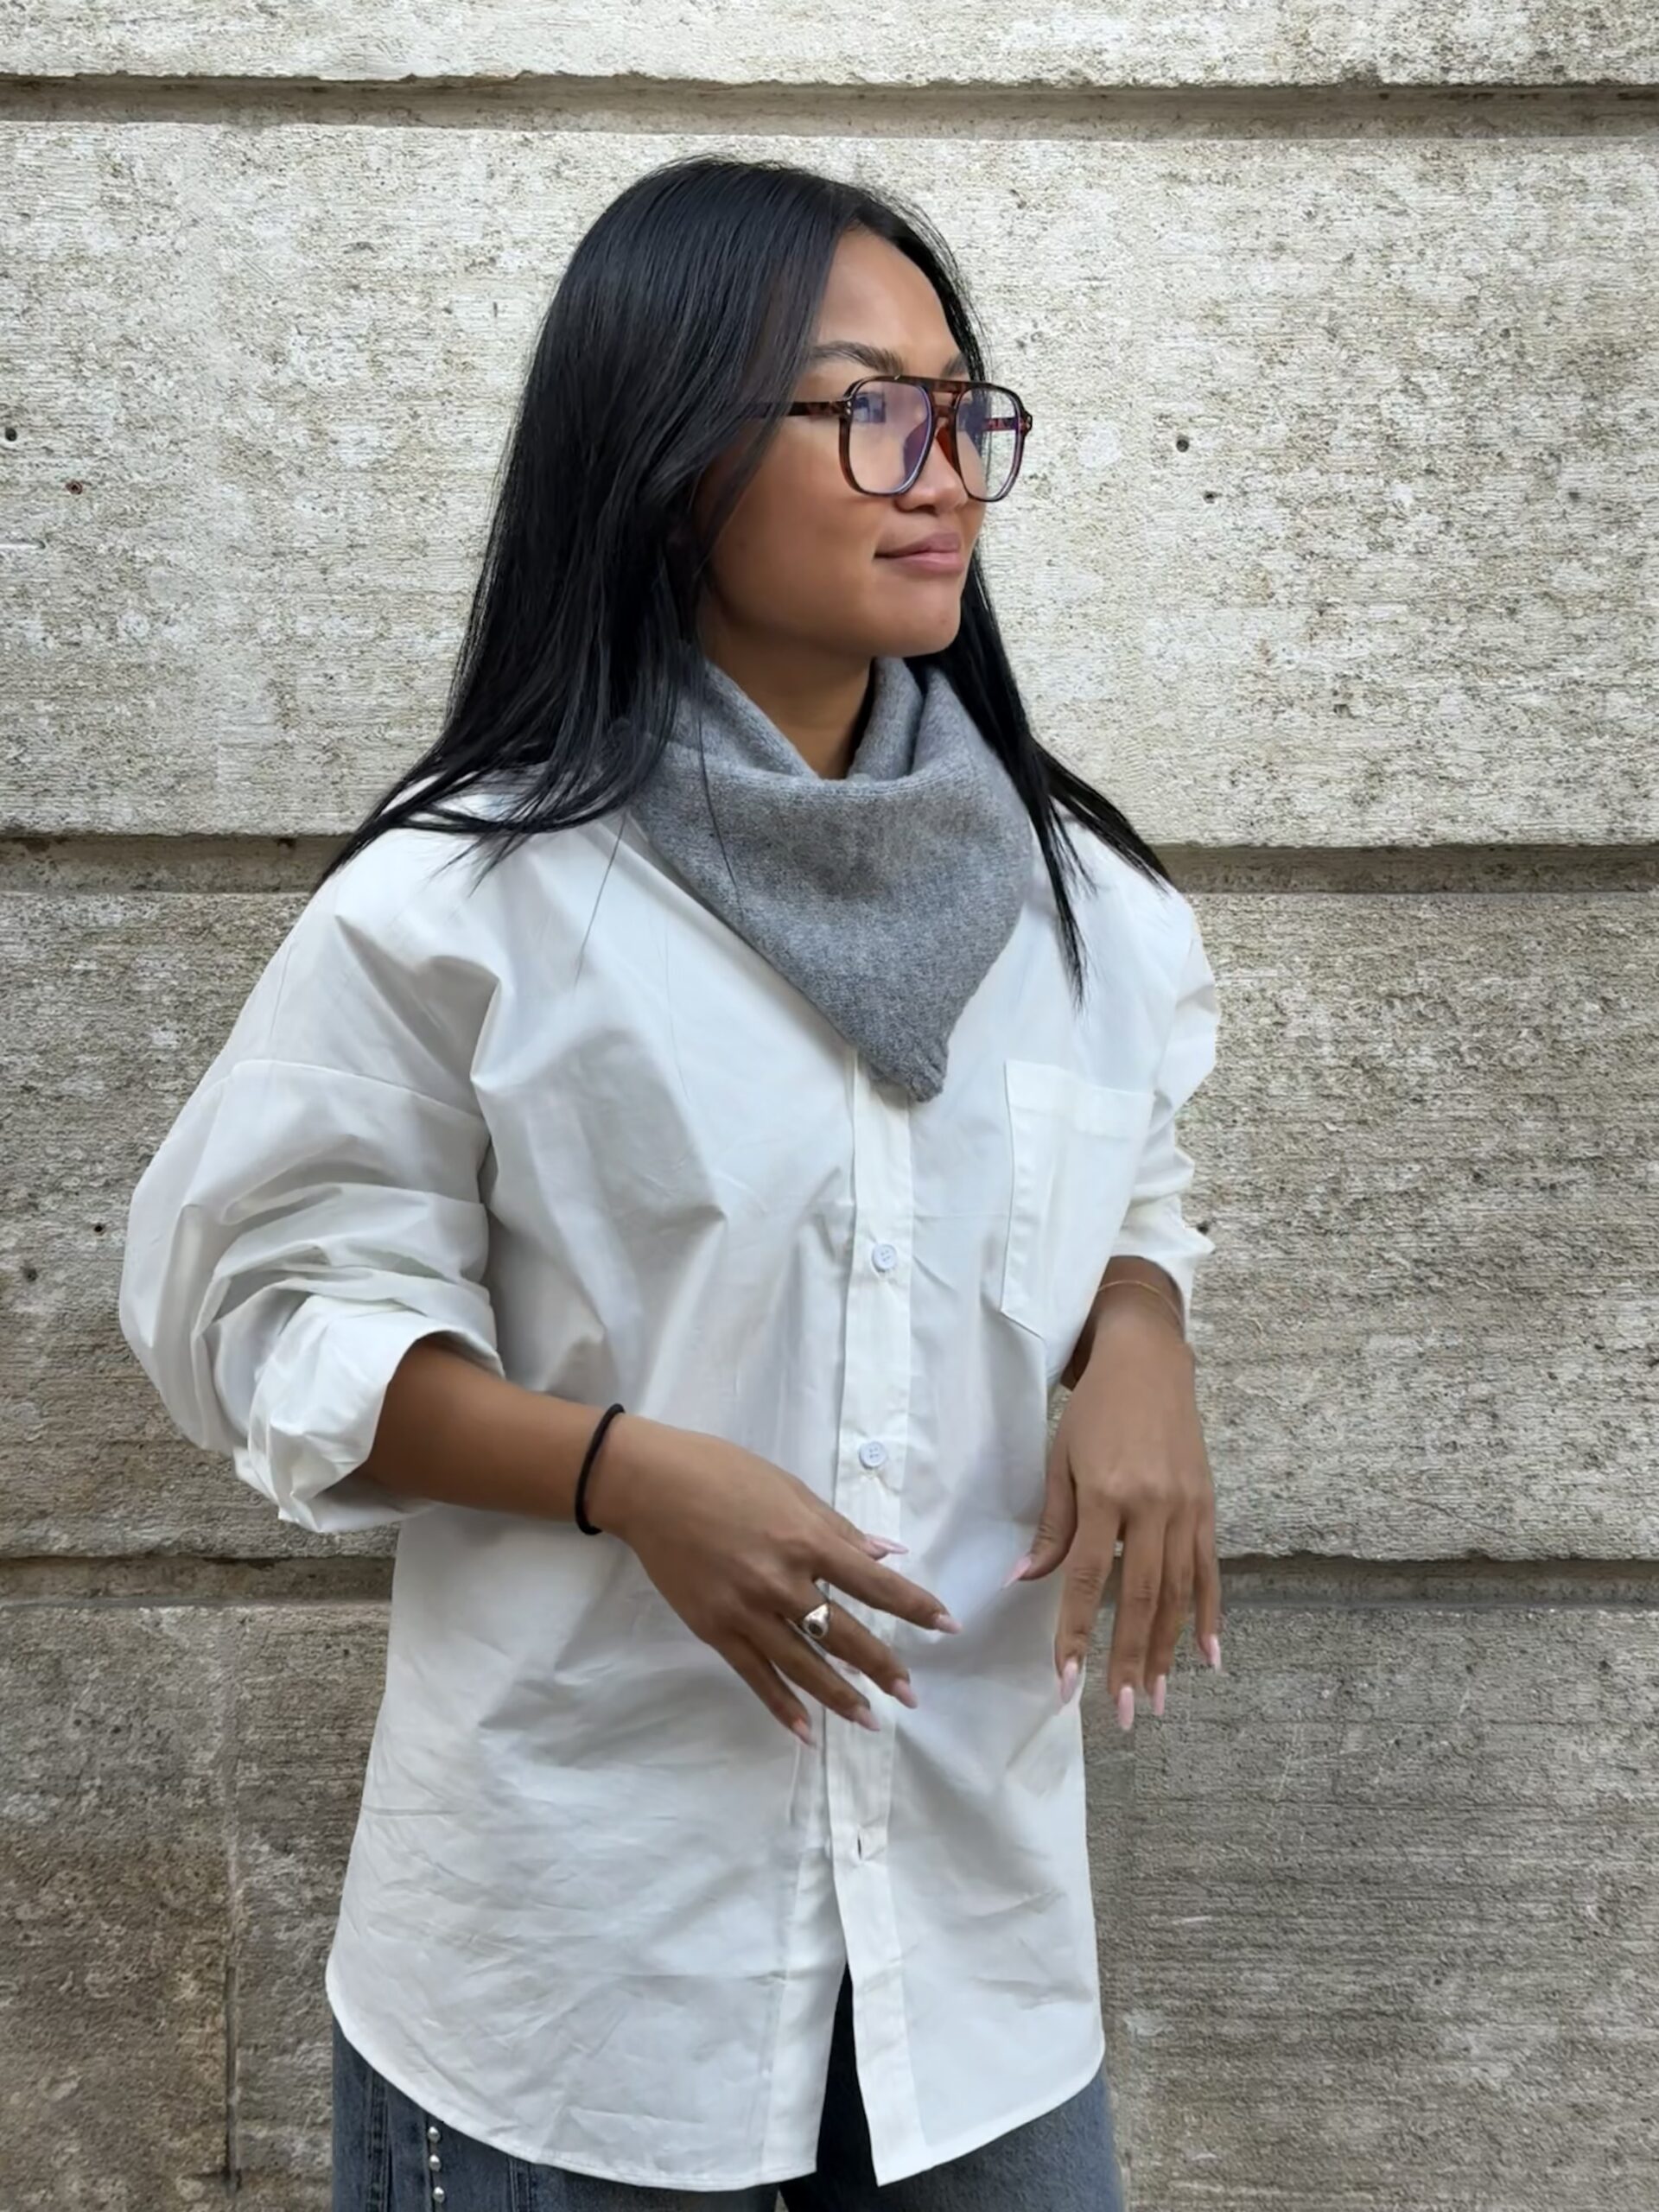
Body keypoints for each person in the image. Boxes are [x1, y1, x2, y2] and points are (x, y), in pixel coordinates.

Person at [118, 153, 1224, 2210]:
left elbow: (1128, 1176)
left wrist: (1139, 1329)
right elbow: (264, 1318)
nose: (944, 470)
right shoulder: (470, 903)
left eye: (962, 408)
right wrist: (620, 1473)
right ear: (669, 448)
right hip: (580, 1969)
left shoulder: (1091, 915)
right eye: (869, 407)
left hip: (976, 1974)